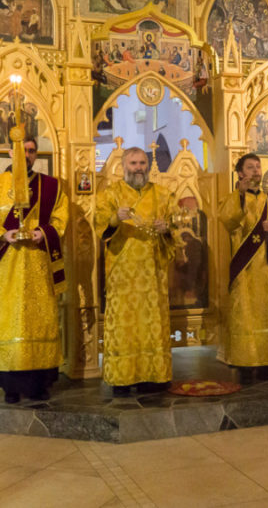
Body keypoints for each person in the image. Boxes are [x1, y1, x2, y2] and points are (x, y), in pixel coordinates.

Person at [0, 136, 68, 403]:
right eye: (21, 150)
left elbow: (61, 218)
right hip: (9, 265)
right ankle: (10, 387)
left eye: (31, 151)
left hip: (39, 264)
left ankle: (39, 385)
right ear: (10, 152)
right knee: (10, 322)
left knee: (39, 321)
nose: (26, 155)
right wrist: (3, 235)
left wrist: (44, 232)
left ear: (36, 154)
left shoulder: (51, 186)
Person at [95, 147, 177, 396]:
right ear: (123, 166)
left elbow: (175, 225)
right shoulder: (111, 193)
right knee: (124, 325)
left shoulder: (162, 194)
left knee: (151, 323)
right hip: (123, 271)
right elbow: (100, 225)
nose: (139, 168)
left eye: (142, 163)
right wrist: (114, 219)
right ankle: (122, 378)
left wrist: (166, 228)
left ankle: (153, 376)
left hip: (153, 272)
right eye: (133, 163)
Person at [219, 154, 268, 384]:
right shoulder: (232, 198)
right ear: (240, 173)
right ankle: (244, 365)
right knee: (244, 316)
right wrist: (240, 195)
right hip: (244, 270)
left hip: (266, 271)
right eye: (250, 167)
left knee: (267, 316)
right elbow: (228, 220)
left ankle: (266, 366)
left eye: (258, 167)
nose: (256, 171)